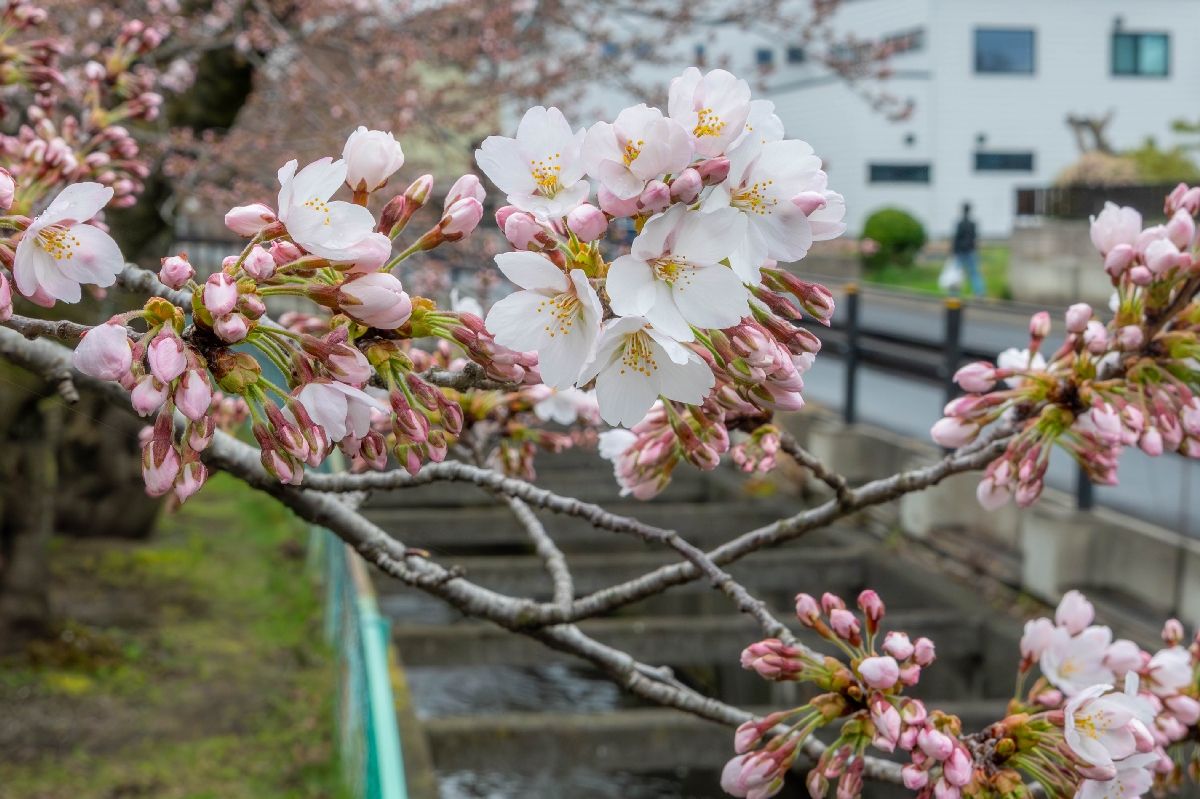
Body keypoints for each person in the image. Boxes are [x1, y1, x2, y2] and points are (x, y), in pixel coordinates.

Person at [952, 202, 985, 297]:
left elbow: (956, 238)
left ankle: (954, 293)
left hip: (960, 251)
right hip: (970, 250)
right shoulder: (973, 224)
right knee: (974, 273)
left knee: (957, 273)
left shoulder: (960, 223)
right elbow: (975, 237)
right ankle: (979, 292)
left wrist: (954, 251)